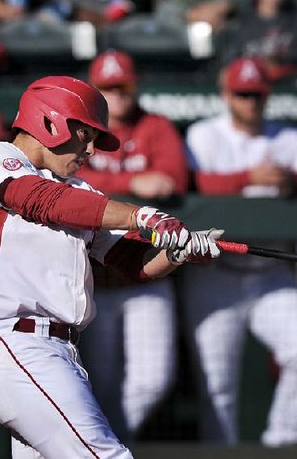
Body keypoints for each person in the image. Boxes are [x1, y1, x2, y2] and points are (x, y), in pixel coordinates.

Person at [0, 75, 223, 458]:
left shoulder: (80, 192)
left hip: (60, 354)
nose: (93, 149)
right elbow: (39, 200)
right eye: (87, 133)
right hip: (15, 346)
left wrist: (175, 253)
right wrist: (140, 215)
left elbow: (131, 265)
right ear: (50, 121)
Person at [182, 57, 297, 446]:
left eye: (257, 95)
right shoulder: (203, 135)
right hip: (214, 275)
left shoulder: (289, 138)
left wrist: (294, 181)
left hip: (271, 274)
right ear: (226, 95)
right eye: (243, 94)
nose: (251, 102)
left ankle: (281, 443)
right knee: (217, 387)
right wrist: (247, 179)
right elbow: (191, 183)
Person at [75, 49, 187, 441]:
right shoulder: (79, 129)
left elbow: (173, 179)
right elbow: (66, 189)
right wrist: (130, 186)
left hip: (148, 274)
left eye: (122, 88)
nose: (117, 96)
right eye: (107, 88)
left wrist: (117, 190)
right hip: (97, 278)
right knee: (99, 383)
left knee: (153, 380)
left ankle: (105, 445)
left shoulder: (154, 126)